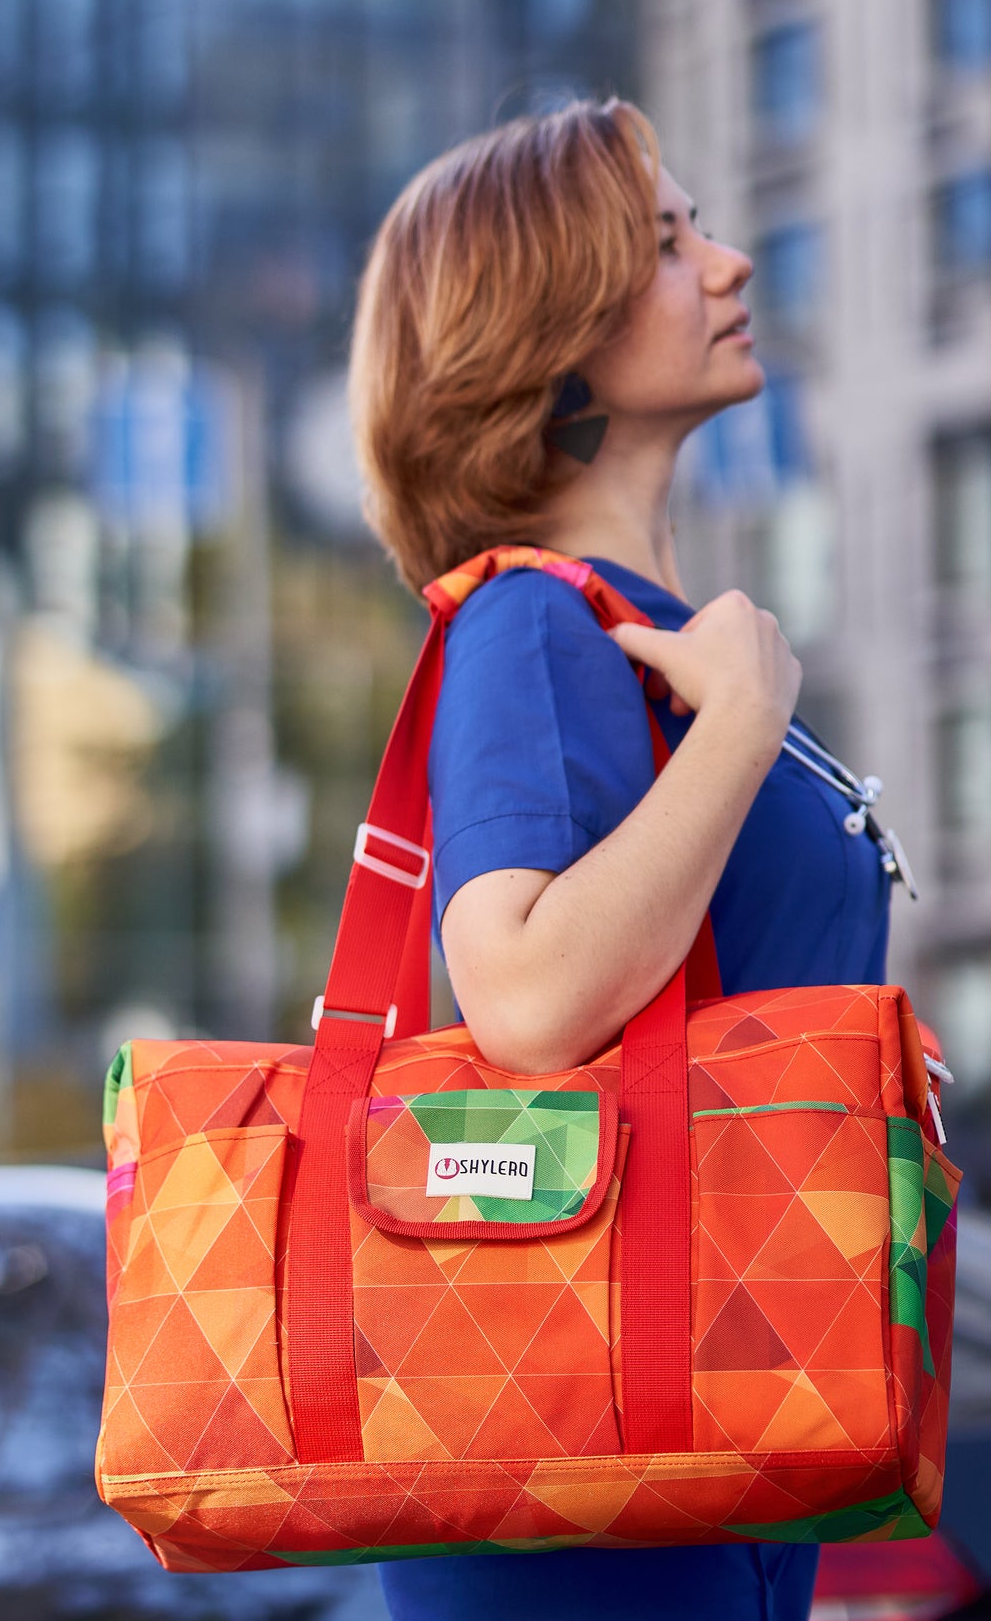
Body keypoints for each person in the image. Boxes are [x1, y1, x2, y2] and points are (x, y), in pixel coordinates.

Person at [347, 97, 891, 1621]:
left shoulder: (632, 628)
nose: (726, 266)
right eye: (666, 244)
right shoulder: (534, 620)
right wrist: (745, 718)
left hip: (689, 1439)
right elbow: (520, 994)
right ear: (550, 332)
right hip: (582, 1503)